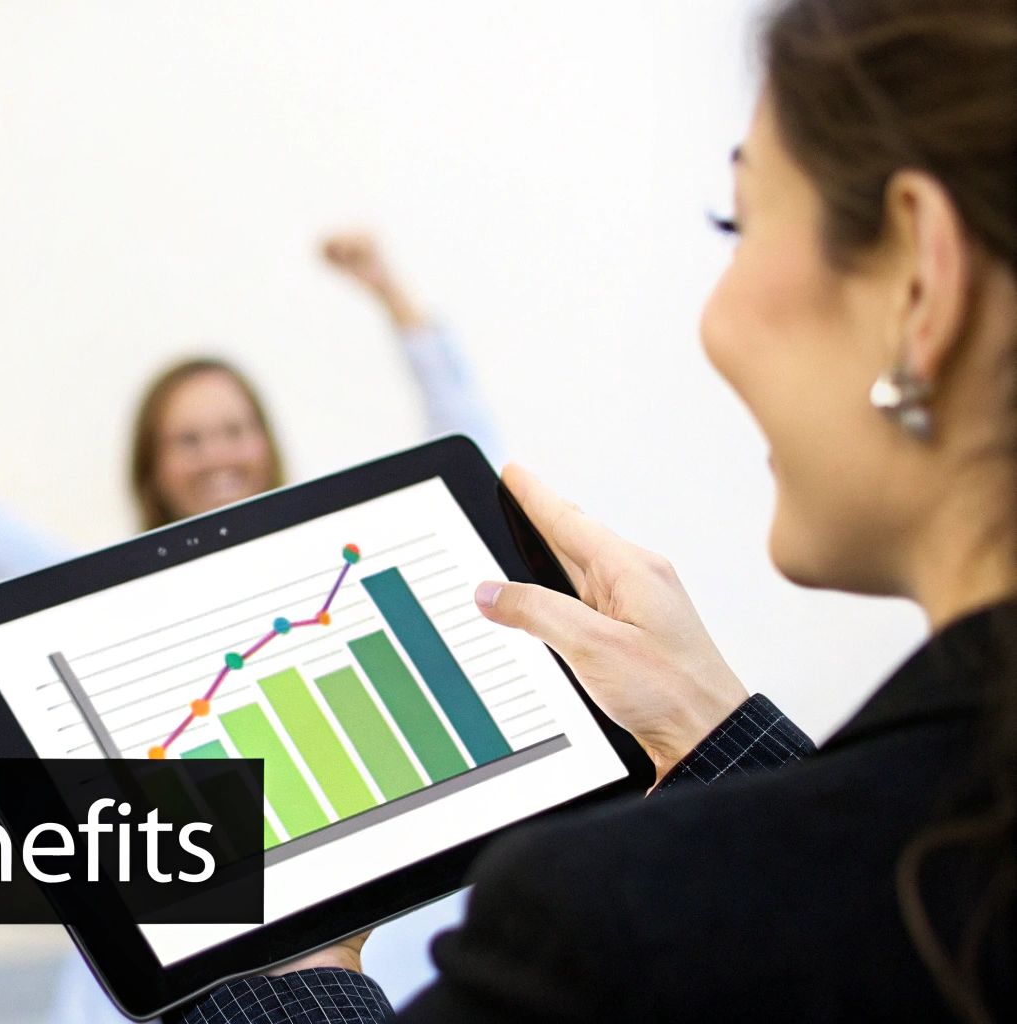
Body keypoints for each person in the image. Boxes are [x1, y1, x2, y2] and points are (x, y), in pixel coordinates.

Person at [177, 0, 1017, 1019]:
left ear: (920, 281)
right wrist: (716, 735)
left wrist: (286, 979)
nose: (710, 320)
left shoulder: (596, 925)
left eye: (737, 223)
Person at [0, 236, 505, 1020]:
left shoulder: (334, 575)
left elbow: (468, 458)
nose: (217, 454)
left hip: (355, 944)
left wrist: (396, 297)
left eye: (233, 429)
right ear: (150, 467)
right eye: (187, 439)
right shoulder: (103, 604)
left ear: (266, 440)